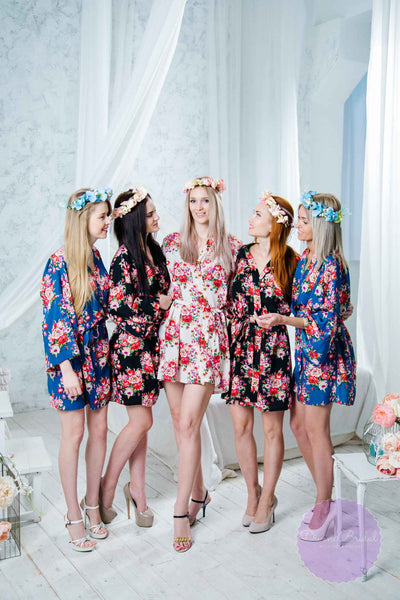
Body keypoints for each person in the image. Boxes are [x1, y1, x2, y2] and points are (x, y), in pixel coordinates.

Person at [260, 191, 356, 541]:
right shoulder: (305, 260)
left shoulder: (332, 264)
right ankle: (327, 498)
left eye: (303, 220)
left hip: (323, 355)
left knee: (316, 430)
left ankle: (323, 508)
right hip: (305, 353)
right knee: (298, 424)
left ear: (320, 224)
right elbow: (322, 308)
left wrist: (284, 319)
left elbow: (326, 322)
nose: (297, 226)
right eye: (298, 219)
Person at [158, 176, 241, 552]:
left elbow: (241, 297)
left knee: (190, 422)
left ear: (215, 203)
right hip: (174, 336)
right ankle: (199, 493)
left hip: (207, 339)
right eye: (193, 201)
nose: (199, 207)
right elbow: (163, 289)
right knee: (181, 424)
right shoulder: (173, 243)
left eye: (205, 200)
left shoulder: (231, 247)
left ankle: (179, 512)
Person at [40, 187, 113, 552]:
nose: (107, 221)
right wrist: (67, 369)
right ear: (83, 219)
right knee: (74, 434)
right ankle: (72, 515)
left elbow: (109, 303)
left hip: (98, 354)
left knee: (99, 430)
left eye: (109, 215)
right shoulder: (58, 262)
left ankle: (92, 503)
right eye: (102, 216)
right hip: (68, 360)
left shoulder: (96, 258)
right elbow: (53, 317)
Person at [224, 192, 298, 533]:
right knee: (241, 426)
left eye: (257, 215)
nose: (250, 219)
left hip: (274, 352)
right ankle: (252, 492)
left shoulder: (291, 260)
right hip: (241, 348)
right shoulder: (240, 255)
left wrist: (280, 319)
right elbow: (226, 301)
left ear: (274, 225)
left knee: (271, 429)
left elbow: (306, 310)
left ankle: (268, 499)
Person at [99, 186, 171, 527]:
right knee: (141, 422)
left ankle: (138, 492)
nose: (157, 217)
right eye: (151, 213)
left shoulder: (153, 251)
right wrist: (158, 304)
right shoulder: (123, 258)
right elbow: (118, 307)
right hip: (130, 349)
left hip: (151, 349)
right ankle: (106, 489)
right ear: (135, 220)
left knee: (141, 423)